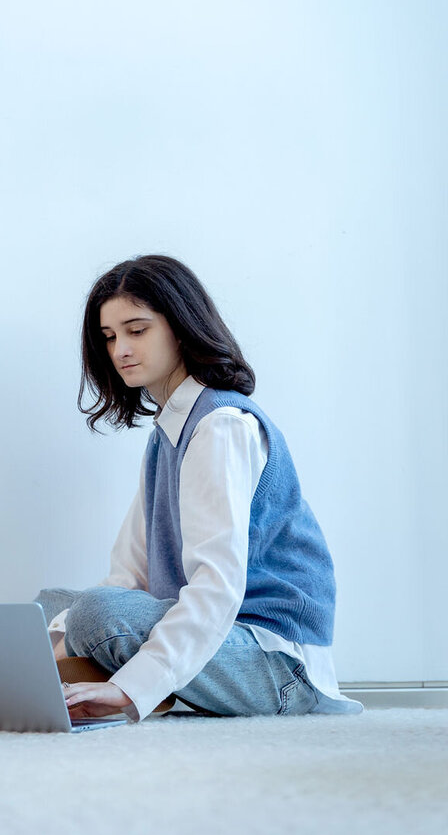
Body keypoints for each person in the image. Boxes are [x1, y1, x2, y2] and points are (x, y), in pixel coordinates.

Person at [36, 254, 362, 722]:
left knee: (95, 613)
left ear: (181, 328)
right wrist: (50, 639)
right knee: (49, 606)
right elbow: (130, 575)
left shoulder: (220, 426)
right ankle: (45, 684)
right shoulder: (166, 435)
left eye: (137, 330)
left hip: (274, 664)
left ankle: (116, 688)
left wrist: (129, 686)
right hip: (221, 642)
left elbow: (217, 588)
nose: (120, 349)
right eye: (109, 337)